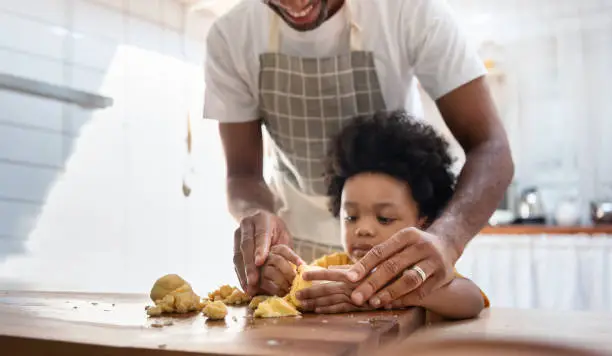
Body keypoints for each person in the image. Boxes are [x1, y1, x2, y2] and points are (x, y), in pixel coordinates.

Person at [204, 0, 514, 307]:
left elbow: (491, 146)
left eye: (382, 216)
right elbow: (242, 175)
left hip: (407, 251)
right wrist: (257, 223)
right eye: (351, 216)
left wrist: (446, 239)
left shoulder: (409, 12)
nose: (296, 2)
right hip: (292, 250)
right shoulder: (231, 35)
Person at [258, 110, 489, 319]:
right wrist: (283, 280)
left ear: (423, 223)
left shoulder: (423, 268)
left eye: (384, 218)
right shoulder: (335, 266)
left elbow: (472, 300)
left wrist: (400, 292)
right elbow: (303, 289)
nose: (363, 229)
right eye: (351, 217)